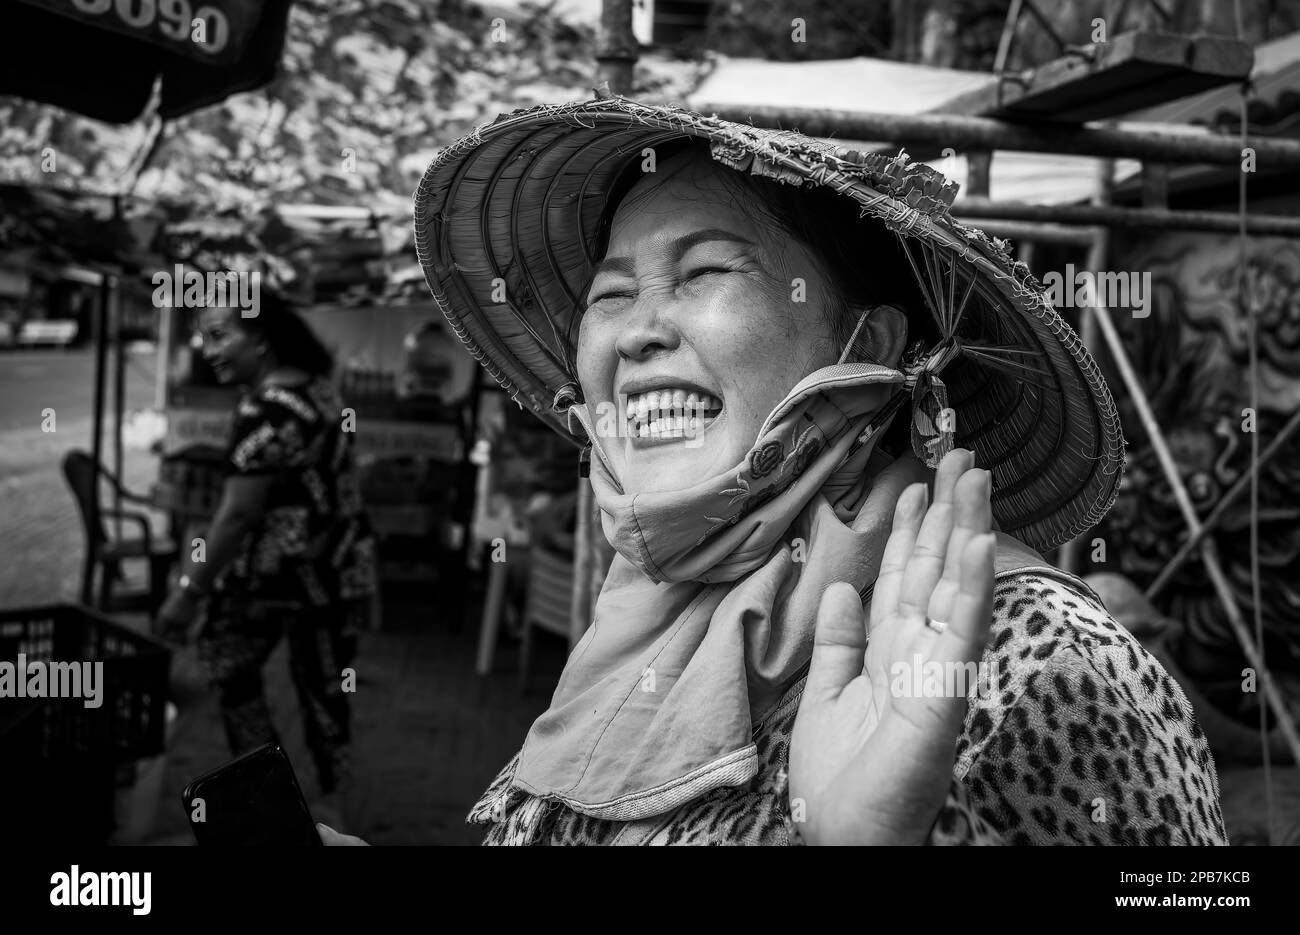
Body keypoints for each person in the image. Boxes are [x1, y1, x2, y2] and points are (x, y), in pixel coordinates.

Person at [323, 97, 1226, 845]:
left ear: (867, 346)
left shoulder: (1040, 663)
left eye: (705, 270)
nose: (637, 332)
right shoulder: (645, 619)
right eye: (611, 292)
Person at [157, 292, 377, 804]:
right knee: (326, 694)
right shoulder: (318, 391)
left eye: (219, 335)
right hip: (335, 571)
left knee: (225, 662)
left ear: (261, 340)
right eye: (202, 336)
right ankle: (329, 804)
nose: (207, 349)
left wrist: (188, 592)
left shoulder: (264, 411)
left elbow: (236, 515)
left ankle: (266, 797)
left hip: (279, 576)